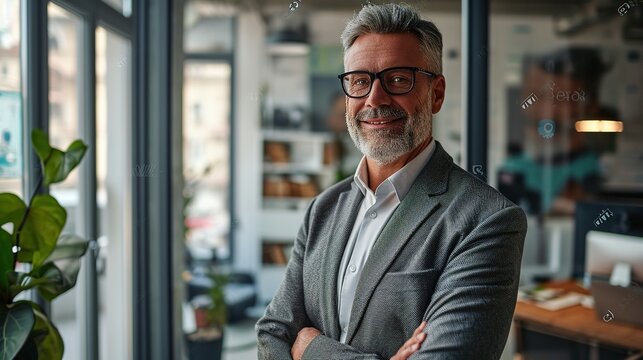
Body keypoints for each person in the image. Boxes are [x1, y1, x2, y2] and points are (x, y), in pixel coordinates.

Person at [256, 3, 527, 359]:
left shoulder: (487, 221)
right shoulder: (323, 208)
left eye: (398, 79)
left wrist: (310, 348)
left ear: (437, 94)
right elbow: (271, 335)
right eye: (359, 81)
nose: (374, 99)